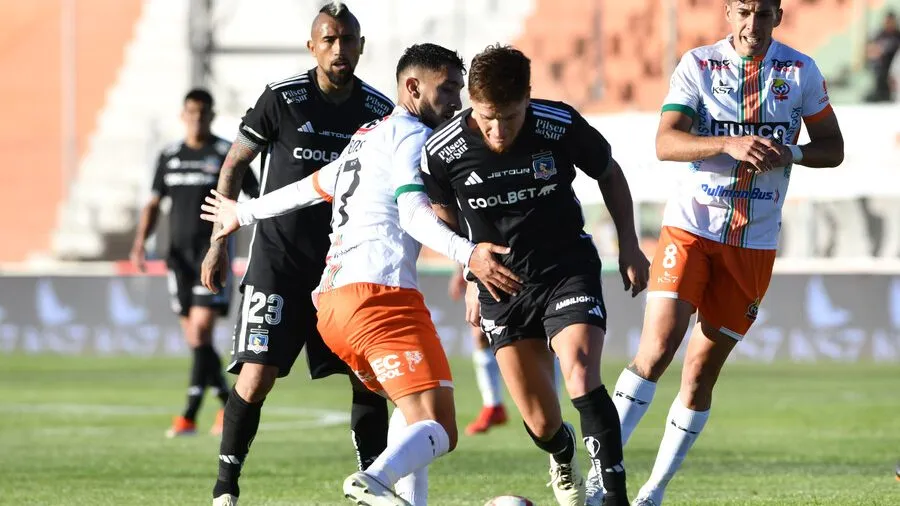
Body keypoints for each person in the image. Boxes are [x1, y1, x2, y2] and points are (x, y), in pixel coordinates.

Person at [201, 42, 521, 506]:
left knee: (411, 412)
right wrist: (469, 256)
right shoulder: (411, 136)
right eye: (448, 89)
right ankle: (372, 480)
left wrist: (243, 214)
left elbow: (309, 188)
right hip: (381, 299)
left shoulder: (365, 137)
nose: (458, 101)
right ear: (412, 87)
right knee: (442, 428)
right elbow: (412, 214)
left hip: (332, 308)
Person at [609, 1, 845, 505]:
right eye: (743, 12)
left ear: (778, 16)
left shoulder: (799, 71)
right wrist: (729, 143)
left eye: (762, 14)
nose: (751, 25)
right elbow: (666, 141)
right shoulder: (699, 65)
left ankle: (653, 493)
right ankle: (602, 478)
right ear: (727, 13)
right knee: (656, 351)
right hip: (690, 228)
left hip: (754, 243)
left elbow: (833, 147)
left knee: (699, 375)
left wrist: (795, 152)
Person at [421, 44, 649, 506]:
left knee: (581, 372)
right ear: (471, 101)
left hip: (566, 268)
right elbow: (443, 213)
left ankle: (613, 497)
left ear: (528, 95)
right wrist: (467, 269)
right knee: (542, 423)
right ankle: (562, 454)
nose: (498, 129)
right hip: (499, 287)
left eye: (509, 116)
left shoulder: (558, 124)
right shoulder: (443, 150)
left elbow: (610, 173)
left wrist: (629, 242)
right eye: (487, 117)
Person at [197, 3, 395, 505]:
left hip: (345, 267)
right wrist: (220, 242)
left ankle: (372, 484)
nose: (338, 48)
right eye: (328, 40)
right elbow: (235, 163)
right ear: (313, 47)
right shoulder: (283, 99)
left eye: (347, 39)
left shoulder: (377, 111)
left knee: (366, 376)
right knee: (258, 376)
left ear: (361, 46)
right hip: (278, 264)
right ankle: (225, 488)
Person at [130, 88, 259, 438]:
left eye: (203, 112)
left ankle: (188, 414)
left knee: (200, 331)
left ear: (212, 115)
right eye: (191, 112)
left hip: (211, 255)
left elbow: (254, 196)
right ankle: (223, 402)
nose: (197, 118)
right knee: (194, 337)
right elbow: (154, 203)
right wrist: (141, 242)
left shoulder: (225, 154)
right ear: (183, 115)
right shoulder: (169, 155)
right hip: (178, 260)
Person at [448, 266, 508, 435]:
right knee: (480, 333)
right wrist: (460, 272)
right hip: (483, 264)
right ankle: (493, 405)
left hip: (522, 262)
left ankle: (550, 404)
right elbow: (467, 238)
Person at [865, 11, 900, 103]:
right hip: (881, 70)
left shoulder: (897, 35)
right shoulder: (880, 35)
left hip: (894, 69)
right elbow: (871, 50)